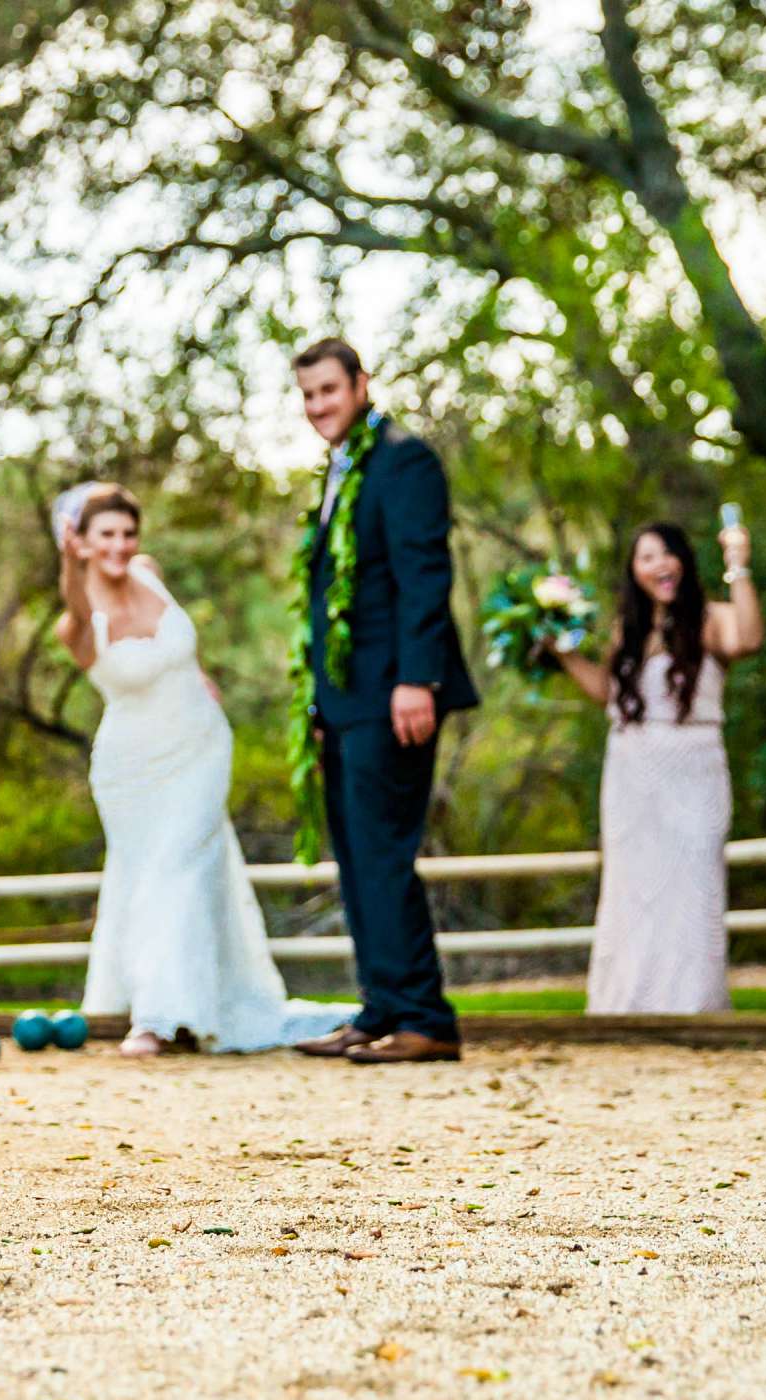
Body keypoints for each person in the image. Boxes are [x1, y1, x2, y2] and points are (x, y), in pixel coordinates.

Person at [50, 483, 353, 1056]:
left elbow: (178, 642)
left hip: (201, 747)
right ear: (82, 544)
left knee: (184, 865)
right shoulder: (79, 621)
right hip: (132, 768)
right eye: (105, 535)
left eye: (127, 532)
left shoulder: (148, 570)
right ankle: (164, 1009)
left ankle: (164, 1016)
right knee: (153, 873)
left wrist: (198, 673)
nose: (120, 545)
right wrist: (69, 565)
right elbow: (75, 606)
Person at [284, 339, 480, 1064]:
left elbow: (424, 575)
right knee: (356, 856)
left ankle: (426, 1017)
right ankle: (382, 1007)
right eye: (307, 396)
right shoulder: (341, 468)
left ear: (361, 384)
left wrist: (416, 679)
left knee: (385, 853)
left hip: (395, 693)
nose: (318, 407)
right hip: (344, 701)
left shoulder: (402, 458)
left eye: (329, 391)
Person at [549, 519, 765, 1013]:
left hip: (694, 767)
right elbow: (608, 694)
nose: (659, 565)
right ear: (634, 571)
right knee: (632, 889)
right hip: (630, 772)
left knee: (693, 883)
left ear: (684, 562)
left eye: (667, 554)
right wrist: (560, 651)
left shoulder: (712, 618)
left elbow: (749, 639)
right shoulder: (627, 629)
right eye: (646, 557)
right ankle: (626, 1003)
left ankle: (693, 1004)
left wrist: (739, 564)